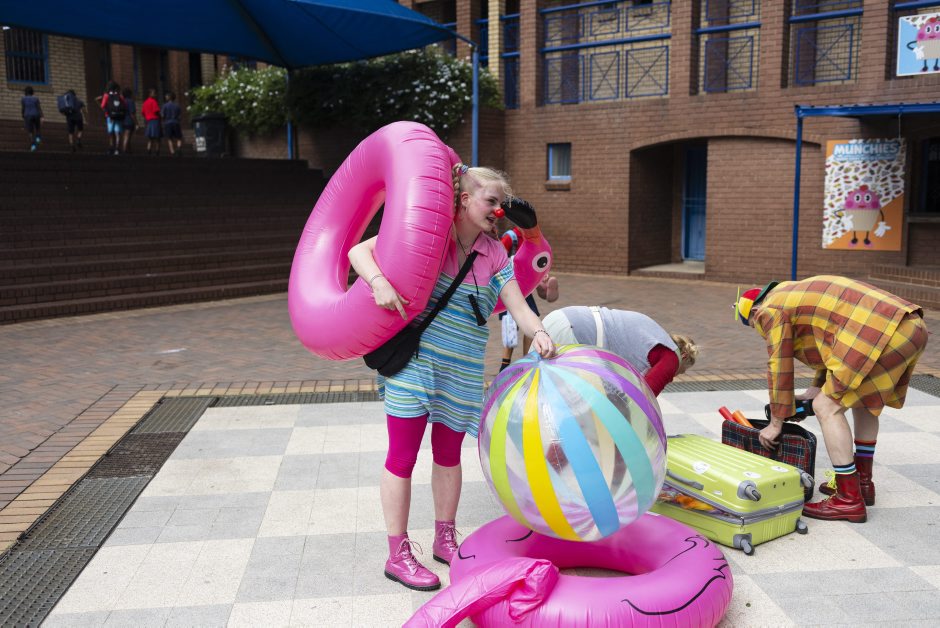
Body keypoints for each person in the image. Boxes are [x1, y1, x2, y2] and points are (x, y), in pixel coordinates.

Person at [348, 165, 557, 592]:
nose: (498, 211)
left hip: (462, 371)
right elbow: (359, 252)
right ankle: (397, 554)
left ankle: (444, 537)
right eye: (491, 201)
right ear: (464, 200)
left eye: (501, 204)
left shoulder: (495, 253)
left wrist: (539, 332)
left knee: (448, 456)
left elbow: (519, 306)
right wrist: (379, 281)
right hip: (415, 366)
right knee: (402, 457)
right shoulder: (429, 236)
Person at [734, 275, 928, 523]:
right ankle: (862, 484)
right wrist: (814, 389)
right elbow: (830, 344)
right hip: (910, 326)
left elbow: (779, 365)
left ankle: (848, 499)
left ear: (755, 312)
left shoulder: (769, 310)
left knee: (826, 407)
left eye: (754, 325)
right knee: (864, 402)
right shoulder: (791, 294)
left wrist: (776, 422)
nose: (760, 329)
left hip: (879, 332)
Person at [542, 306, 698, 395]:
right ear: (684, 356)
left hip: (560, 319)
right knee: (568, 400)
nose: (673, 377)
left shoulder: (654, 337)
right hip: (575, 333)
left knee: (544, 391)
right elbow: (645, 400)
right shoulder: (672, 358)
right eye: (681, 372)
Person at [497, 225, 559, 371]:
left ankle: (528, 359)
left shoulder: (532, 237)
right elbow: (498, 257)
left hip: (525, 288)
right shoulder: (511, 237)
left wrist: (540, 274)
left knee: (532, 321)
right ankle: (504, 365)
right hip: (509, 287)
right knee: (511, 327)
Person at [99, 81, 126, 155]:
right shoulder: (119, 95)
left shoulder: (106, 95)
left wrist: (108, 112)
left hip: (109, 117)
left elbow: (102, 106)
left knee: (111, 133)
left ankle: (111, 148)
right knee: (117, 133)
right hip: (118, 116)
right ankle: (117, 149)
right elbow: (125, 105)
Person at [21, 86, 43, 151]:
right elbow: (39, 108)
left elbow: (23, 108)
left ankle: (33, 146)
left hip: (28, 115)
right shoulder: (36, 98)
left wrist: (23, 115)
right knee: (37, 128)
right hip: (36, 115)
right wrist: (42, 116)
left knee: (31, 131)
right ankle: (38, 138)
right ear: (32, 92)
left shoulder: (23, 99)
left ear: (25, 92)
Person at [161, 91, 183, 156]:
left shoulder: (165, 106)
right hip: (176, 122)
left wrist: (163, 120)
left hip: (168, 123)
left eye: (166, 96)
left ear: (169, 97)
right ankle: (178, 148)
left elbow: (162, 115)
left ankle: (172, 152)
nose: (165, 97)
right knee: (179, 137)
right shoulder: (177, 106)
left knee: (169, 138)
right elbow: (180, 116)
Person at [141, 88, 162, 155]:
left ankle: (149, 150)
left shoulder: (145, 102)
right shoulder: (154, 101)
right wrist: (160, 117)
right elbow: (156, 111)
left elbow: (143, 113)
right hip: (155, 121)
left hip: (148, 121)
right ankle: (157, 151)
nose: (155, 95)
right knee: (157, 138)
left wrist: (147, 116)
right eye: (154, 93)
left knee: (150, 138)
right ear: (150, 94)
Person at [120, 88, 138, 154]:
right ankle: (124, 150)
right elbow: (132, 114)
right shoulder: (130, 101)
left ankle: (128, 150)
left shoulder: (122, 101)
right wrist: (136, 123)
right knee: (127, 136)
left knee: (125, 136)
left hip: (122, 120)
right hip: (129, 121)